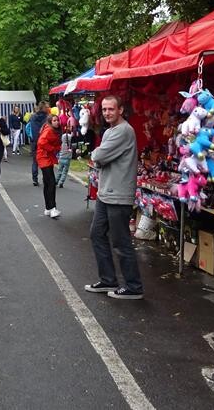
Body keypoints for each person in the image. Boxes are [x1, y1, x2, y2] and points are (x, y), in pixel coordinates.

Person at [84, 95, 143, 300]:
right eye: (104, 109)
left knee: (120, 241)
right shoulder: (111, 131)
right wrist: (100, 156)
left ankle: (134, 286)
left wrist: (98, 156)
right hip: (106, 194)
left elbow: (98, 157)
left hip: (118, 195)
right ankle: (108, 279)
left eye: (111, 109)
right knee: (97, 234)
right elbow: (101, 158)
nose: (107, 113)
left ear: (121, 110)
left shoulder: (123, 131)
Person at [36, 113, 62, 218]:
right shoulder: (49, 130)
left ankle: (48, 208)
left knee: (47, 183)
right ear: (51, 122)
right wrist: (52, 149)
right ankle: (52, 208)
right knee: (51, 182)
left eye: (57, 120)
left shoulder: (49, 129)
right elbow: (41, 142)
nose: (57, 122)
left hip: (45, 157)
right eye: (54, 120)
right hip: (44, 157)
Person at [28, 102, 50, 186]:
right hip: (44, 142)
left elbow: (31, 129)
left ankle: (35, 179)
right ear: (44, 108)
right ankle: (45, 178)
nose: (48, 109)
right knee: (45, 161)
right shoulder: (47, 118)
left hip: (35, 141)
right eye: (47, 107)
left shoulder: (33, 117)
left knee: (35, 161)